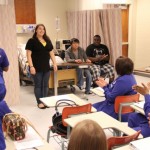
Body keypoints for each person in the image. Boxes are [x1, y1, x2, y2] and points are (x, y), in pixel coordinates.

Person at [93, 56, 137, 121]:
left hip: (117, 109)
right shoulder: (127, 76)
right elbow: (114, 88)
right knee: (91, 107)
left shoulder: (123, 80)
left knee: (91, 110)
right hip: (118, 105)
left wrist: (104, 87)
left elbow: (111, 98)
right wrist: (106, 84)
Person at [26, 24, 57, 109]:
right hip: (36, 67)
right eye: (40, 29)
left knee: (45, 85)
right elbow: (28, 55)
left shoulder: (47, 40)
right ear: (36, 30)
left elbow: (51, 53)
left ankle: (45, 101)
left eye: (43, 29)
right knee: (38, 85)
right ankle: (39, 102)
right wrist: (31, 66)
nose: (42, 30)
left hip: (46, 67)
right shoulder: (31, 41)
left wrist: (54, 63)